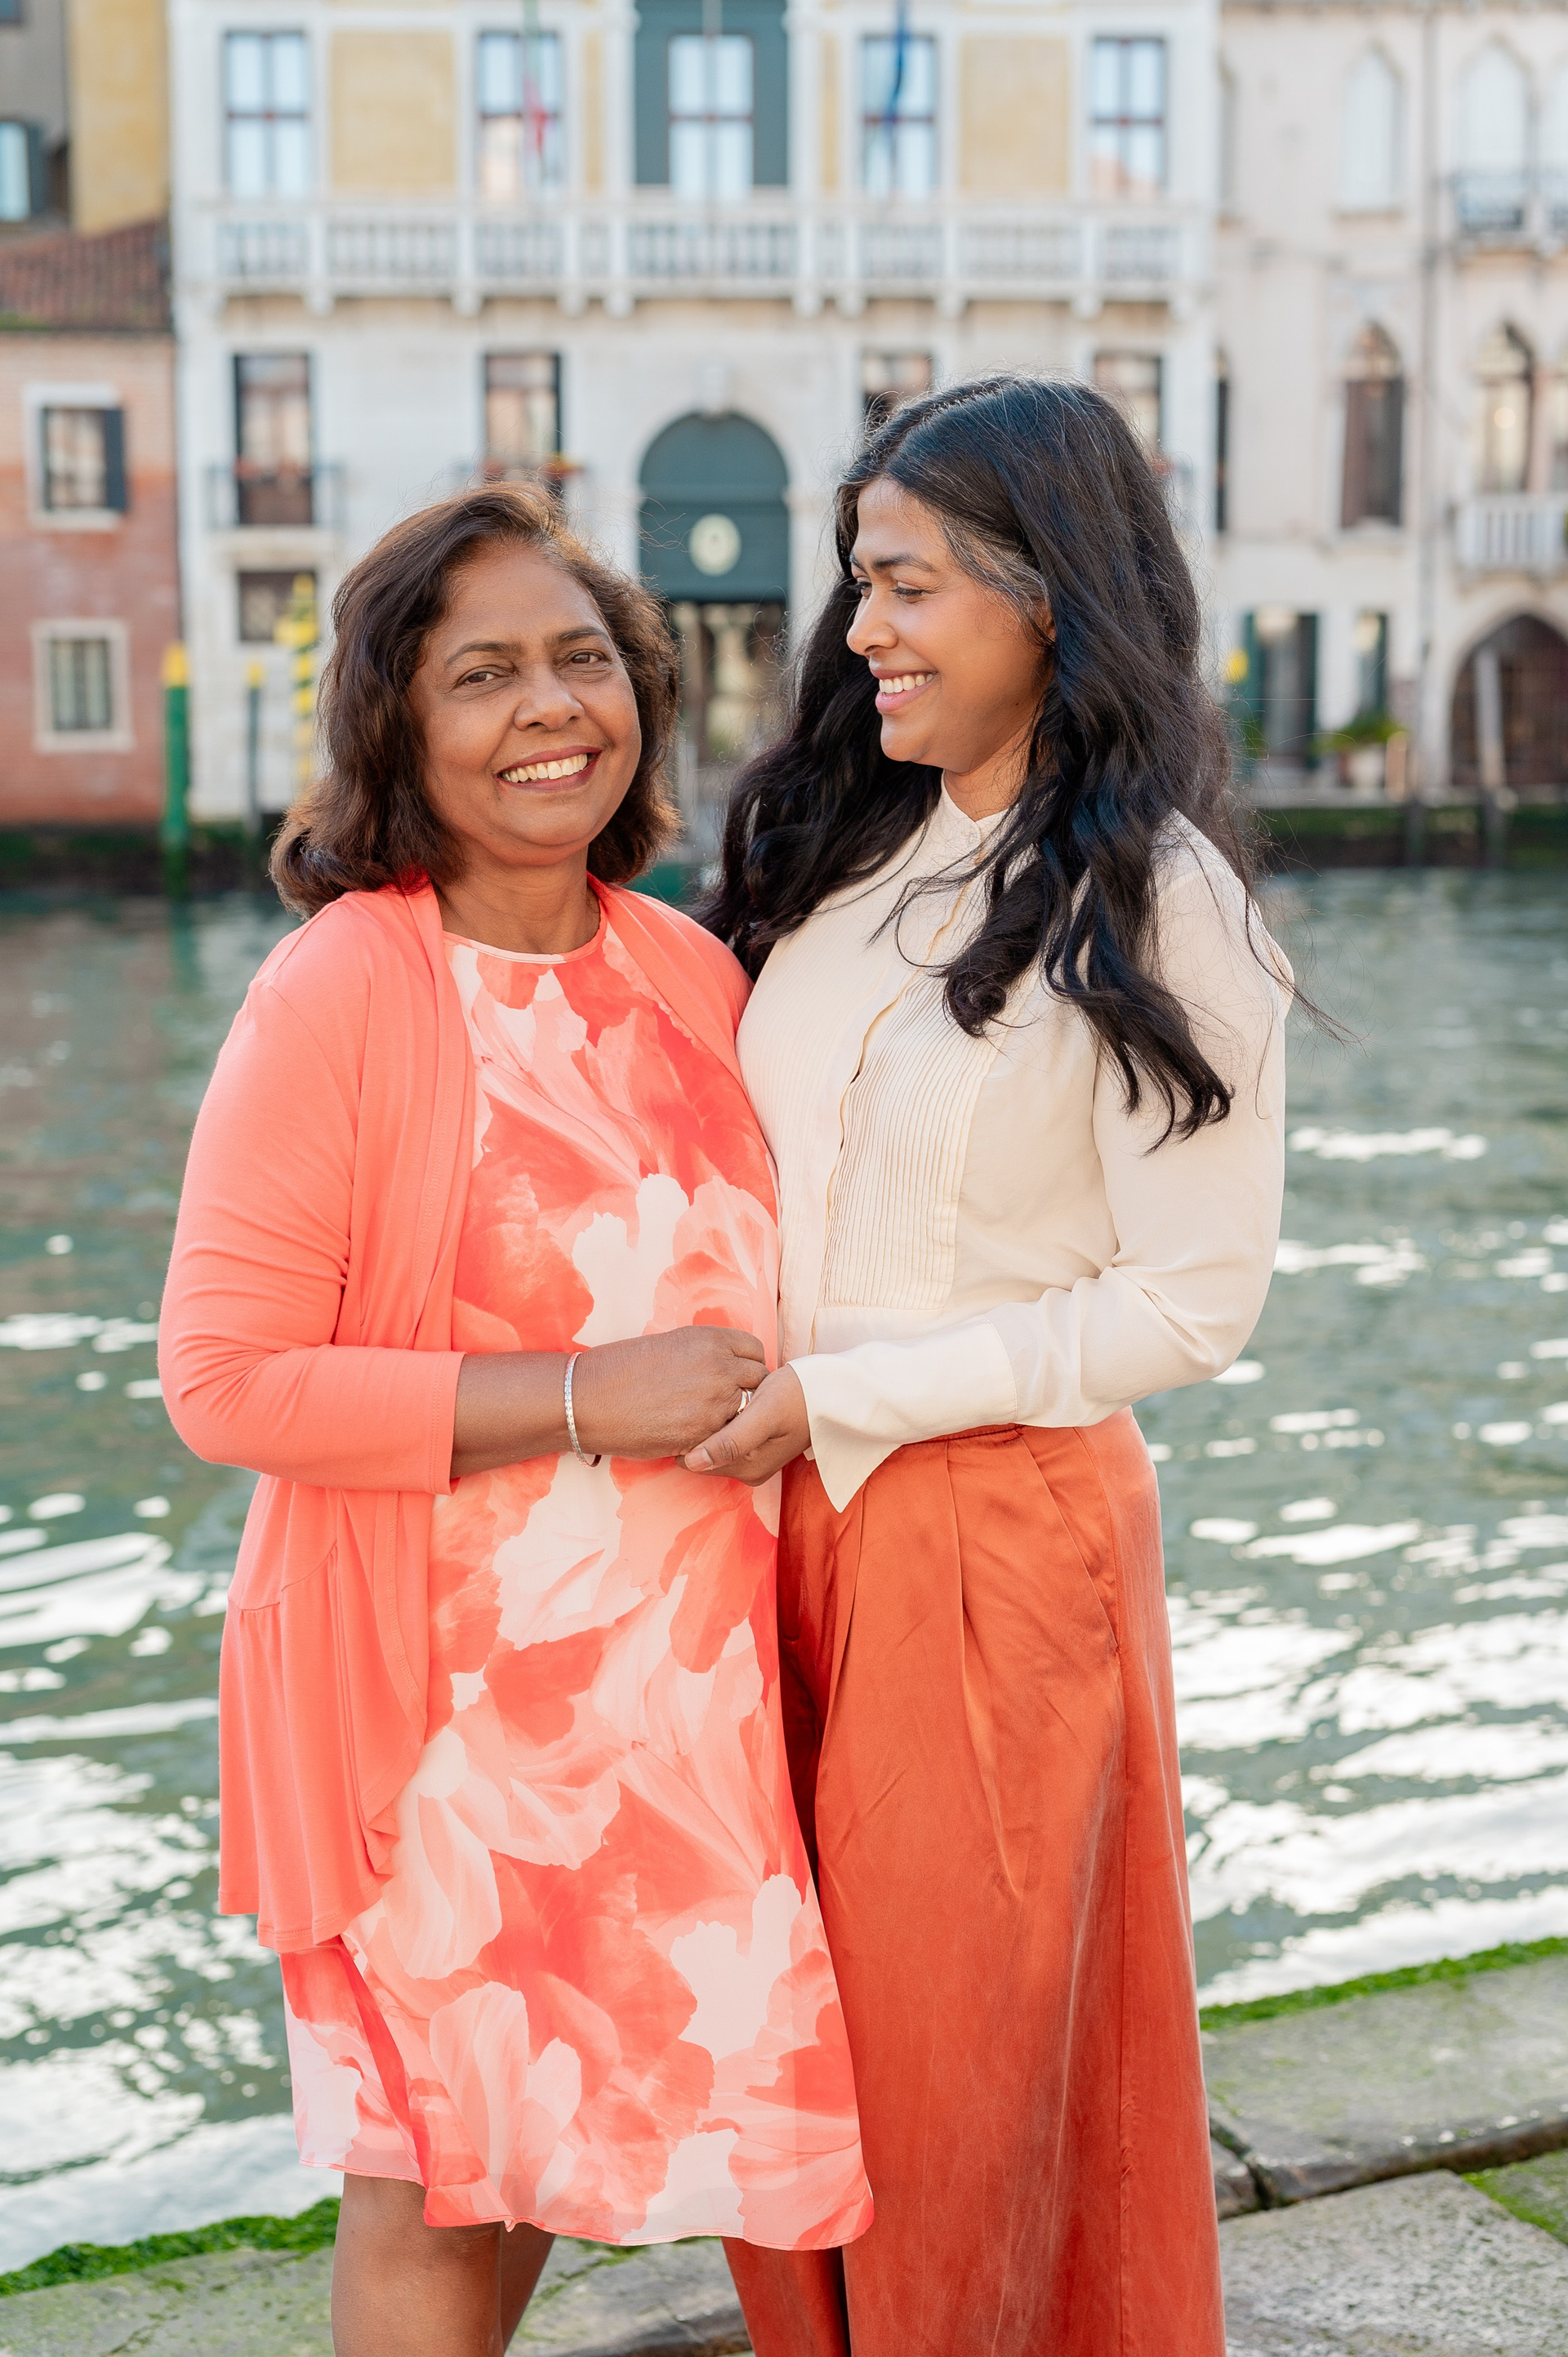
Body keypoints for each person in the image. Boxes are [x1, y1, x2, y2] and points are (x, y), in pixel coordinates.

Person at [158, 484, 871, 2357]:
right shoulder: (342, 990)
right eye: (482, 674)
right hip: (438, 1714)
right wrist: (582, 1398)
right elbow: (222, 1378)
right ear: (397, 728)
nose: (550, 706)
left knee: (545, 2146)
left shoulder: (693, 973)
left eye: (580, 659)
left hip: (683, 1706)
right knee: (431, 2173)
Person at [686, 376, 1292, 2356]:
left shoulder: (1165, 904)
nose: (862, 626)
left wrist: (847, 1393)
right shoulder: (839, 869)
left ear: (1049, 594)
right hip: (764, 1531)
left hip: (993, 1543)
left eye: (910, 582)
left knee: (956, 2089)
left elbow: (1193, 1305)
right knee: (788, 2072)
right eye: (859, 580)